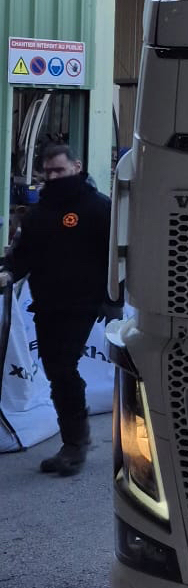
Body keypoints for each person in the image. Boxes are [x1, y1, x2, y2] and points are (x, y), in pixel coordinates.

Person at [0, 142, 112, 476]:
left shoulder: (97, 207)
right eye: (48, 172)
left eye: (59, 170)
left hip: (82, 303)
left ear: (76, 167)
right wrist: (7, 272)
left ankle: (75, 445)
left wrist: (114, 300)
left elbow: (117, 256)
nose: (53, 176)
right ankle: (74, 439)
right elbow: (23, 256)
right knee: (55, 371)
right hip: (47, 303)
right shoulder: (40, 212)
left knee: (63, 367)